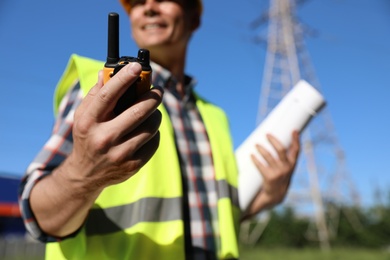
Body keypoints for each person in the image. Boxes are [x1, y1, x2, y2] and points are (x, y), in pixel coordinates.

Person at [18, 0, 300, 259]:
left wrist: (266, 197)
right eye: (138, 2)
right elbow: (39, 217)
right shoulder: (99, 88)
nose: (149, 7)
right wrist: (83, 174)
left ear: (193, 19)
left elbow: (210, 220)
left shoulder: (215, 117)